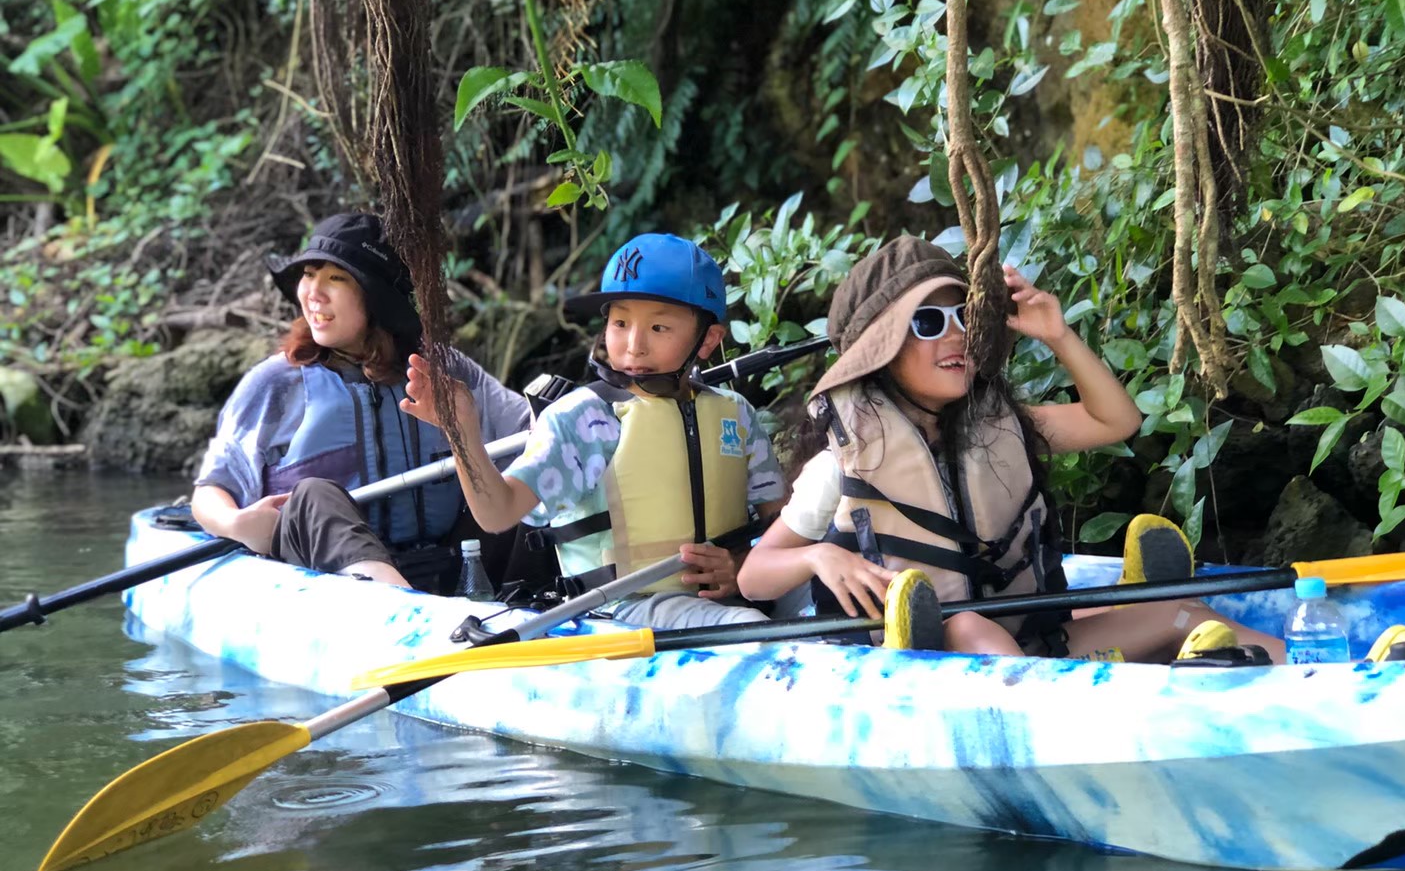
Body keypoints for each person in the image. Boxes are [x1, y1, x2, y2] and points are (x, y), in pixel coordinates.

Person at [737, 235, 1286, 662]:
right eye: (928, 323)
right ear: (880, 354)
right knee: (971, 626)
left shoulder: (1001, 428)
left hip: (1037, 648)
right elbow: (753, 575)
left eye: (964, 318)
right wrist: (819, 555)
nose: (955, 335)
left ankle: (1323, 671)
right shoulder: (840, 465)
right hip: (929, 666)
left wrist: (1058, 335)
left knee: (1180, 612)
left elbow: (1115, 419)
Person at [401, 232, 789, 630]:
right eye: (620, 322)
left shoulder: (734, 413)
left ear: (708, 340)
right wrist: (462, 431)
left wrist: (742, 565)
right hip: (624, 610)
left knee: (818, 593)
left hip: (732, 597)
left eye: (659, 328)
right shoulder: (587, 417)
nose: (633, 346)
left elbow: (783, 526)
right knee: (748, 623)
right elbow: (497, 512)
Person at [192, 212, 528, 590]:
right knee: (313, 495)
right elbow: (210, 489)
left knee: (516, 498)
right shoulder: (276, 383)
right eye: (308, 274)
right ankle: (395, 598)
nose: (313, 292)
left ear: (377, 299)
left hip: (446, 560)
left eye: (336, 278)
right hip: (324, 575)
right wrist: (235, 524)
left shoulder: (444, 372)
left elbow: (532, 436)